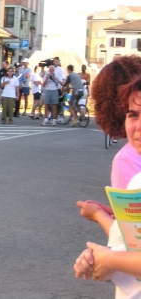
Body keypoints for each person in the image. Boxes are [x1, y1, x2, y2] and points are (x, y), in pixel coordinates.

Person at [73, 56, 141, 299]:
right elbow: (131, 239)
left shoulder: (126, 161)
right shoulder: (136, 179)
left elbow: (128, 246)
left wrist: (99, 216)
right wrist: (100, 259)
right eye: (133, 114)